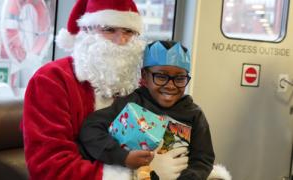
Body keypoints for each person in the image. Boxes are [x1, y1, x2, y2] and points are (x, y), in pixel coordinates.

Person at [21, 0, 148, 179]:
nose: (121, 41)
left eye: (128, 31)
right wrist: (129, 176)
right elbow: (50, 167)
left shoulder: (137, 83)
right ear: (86, 31)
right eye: (109, 29)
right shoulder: (51, 80)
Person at [79, 40, 215, 180]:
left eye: (180, 79)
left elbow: (203, 159)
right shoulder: (132, 103)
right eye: (161, 77)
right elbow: (90, 129)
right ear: (144, 76)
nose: (170, 85)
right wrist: (124, 157)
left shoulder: (194, 114)